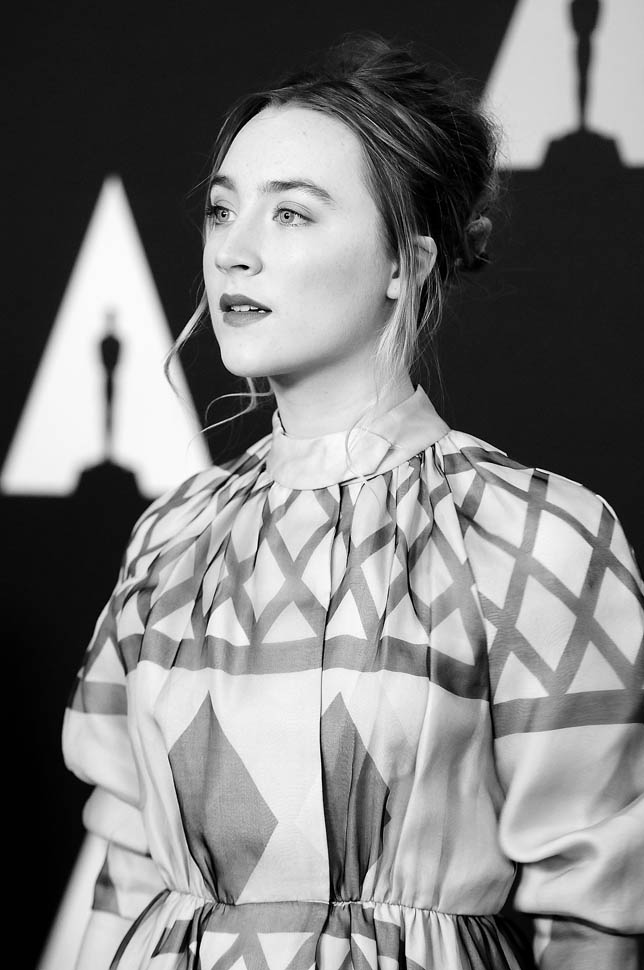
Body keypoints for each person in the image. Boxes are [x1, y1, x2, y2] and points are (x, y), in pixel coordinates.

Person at [62, 31, 644, 970]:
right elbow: (126, 876)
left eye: (292, 214)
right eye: (222, 210)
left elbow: (595, 920)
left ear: (403, 264)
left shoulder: (532, 537)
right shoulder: (171, 538)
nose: (234, 253)